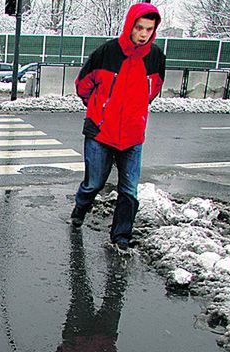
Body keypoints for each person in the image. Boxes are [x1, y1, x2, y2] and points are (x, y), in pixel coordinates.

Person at [70, 3, 166, 250]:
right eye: (139, 28)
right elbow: (83, 85)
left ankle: (120, 238)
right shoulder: (107, 52)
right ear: (130, 26)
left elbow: (152, 91)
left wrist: (136, 114)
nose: (143, 34)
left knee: (129, 190)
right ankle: (80, 207)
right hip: (101, 132)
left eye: (149, 29)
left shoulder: (156, 58)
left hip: (133, 135)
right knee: (94, 183)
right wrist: (99, 110)